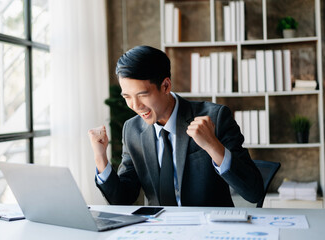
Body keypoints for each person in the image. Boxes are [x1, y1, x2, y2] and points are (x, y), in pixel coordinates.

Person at [88, 45, 264, 207]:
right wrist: (100, 157)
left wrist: (212, 145)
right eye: (127, 96)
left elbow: (254, 192)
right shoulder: (132, 130)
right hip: (159, 230)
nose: (135, 106)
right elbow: (122, 199)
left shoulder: (215, 118)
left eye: (142, 95)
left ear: (165, 86)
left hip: (207, 229)